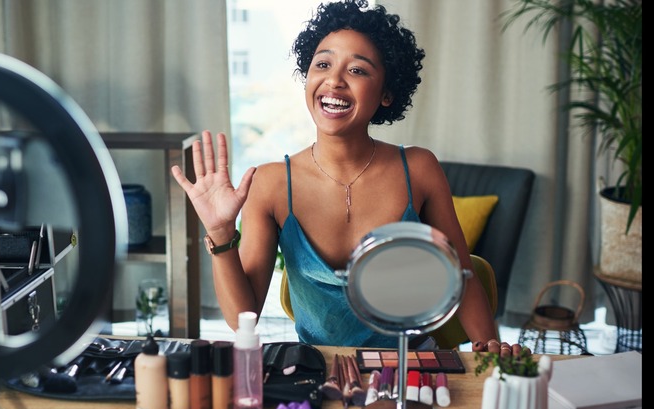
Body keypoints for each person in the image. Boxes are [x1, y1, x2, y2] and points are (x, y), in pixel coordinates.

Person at [172, 0, 519, 356]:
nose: (334, 80)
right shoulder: (272, 184)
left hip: (410, 366)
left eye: (357, 70)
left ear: (387, 93)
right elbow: (241, 317)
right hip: (318, 369)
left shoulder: (418, 168)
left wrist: (490, 353)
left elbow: (463, 275)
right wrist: (220, 233)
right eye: (322, 64)